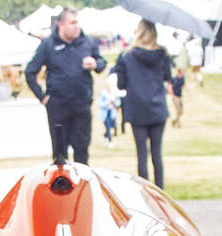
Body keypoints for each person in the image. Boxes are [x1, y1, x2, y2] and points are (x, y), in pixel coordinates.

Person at [25, 8, 106, 163]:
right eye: (72, 23)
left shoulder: (87, 42)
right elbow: (30, 72)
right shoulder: (48, 44)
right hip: (58, 106)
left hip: (82, 104)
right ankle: (61, 185)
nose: (77, 27)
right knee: (60, 154)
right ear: (61, 24)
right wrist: (42, 97)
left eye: (77, 22)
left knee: (82, 150)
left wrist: (95, 63)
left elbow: (102, 64)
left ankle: (82, 185)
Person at [115, 20, 172, 187]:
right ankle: (160, 191)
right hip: (157, 107)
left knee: (141, 154)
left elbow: (121, 84)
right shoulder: (163, 54)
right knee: (157, 154)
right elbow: (167, 77)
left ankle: (145, 191)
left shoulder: (126, 56)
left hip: (137, 108)